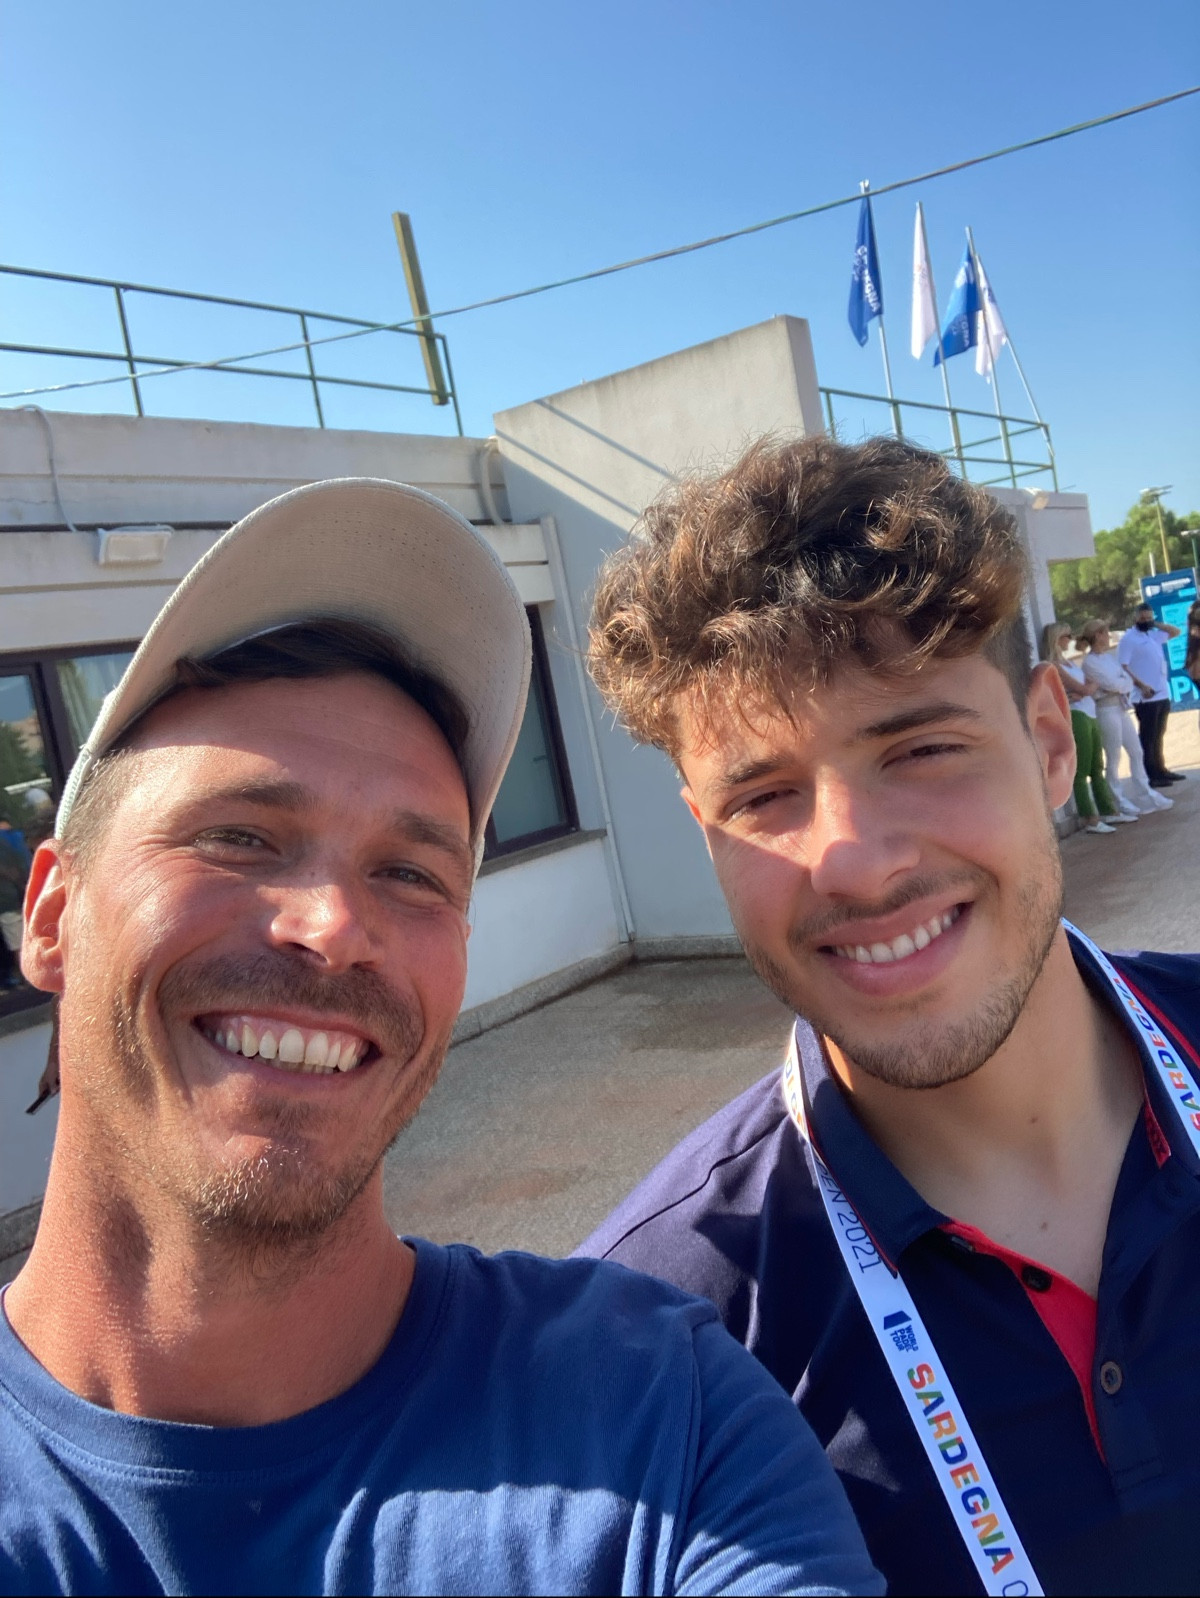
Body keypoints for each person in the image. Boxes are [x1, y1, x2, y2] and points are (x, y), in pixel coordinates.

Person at [0, 478, 880, 1597]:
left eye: (411, 872)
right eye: (240, 837)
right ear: (50, 915)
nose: (333, 927)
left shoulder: (658, 1410)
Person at [580, 436, 1200, 1596]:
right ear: (706, 834)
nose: (854, 861)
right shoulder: (655, 1341)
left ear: (1048, 742)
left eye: (919, 747)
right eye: (764, 794)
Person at [1039, 621, 1133, 834]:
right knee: (1082, 770)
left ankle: (1108, 811)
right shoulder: (1054, 665)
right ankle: (1090, 818)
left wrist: (1086, 689)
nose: (1070, 640)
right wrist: (1086, 689)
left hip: (1089, 713)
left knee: (1097, 766)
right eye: (1067, 636)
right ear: (1057, 639)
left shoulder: (1069, 663)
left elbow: (1088, 687)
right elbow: (1086, 688)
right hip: (1078, 716)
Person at [1076, 619, 1172, 816]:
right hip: (1105, 710)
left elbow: (1126, 680)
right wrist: (1119, 685)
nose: (1108, 635)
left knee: (1136, 751)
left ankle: (1145, 793)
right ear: (1098, 635)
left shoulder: (1108, 658)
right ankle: (1118, 800)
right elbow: (1112, 684)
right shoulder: (1090, 663)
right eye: (1105, 632)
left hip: (1119, 707)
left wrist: (1120, 685)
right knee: (1114, 756)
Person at [1117, 603, 1184, 786]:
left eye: (1148, 618)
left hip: (1161, 693)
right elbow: (1123, 666)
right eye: (1142, 618)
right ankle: (1151, 774)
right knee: (1148, 736)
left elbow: (1176, 631)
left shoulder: (1152, 635)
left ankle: (1161, 769)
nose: (1145, 621)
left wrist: (1155, 624)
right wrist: (1140, 684)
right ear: (1135, 618)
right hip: (1145, 697)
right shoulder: (1129, 639)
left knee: (1159, 734)